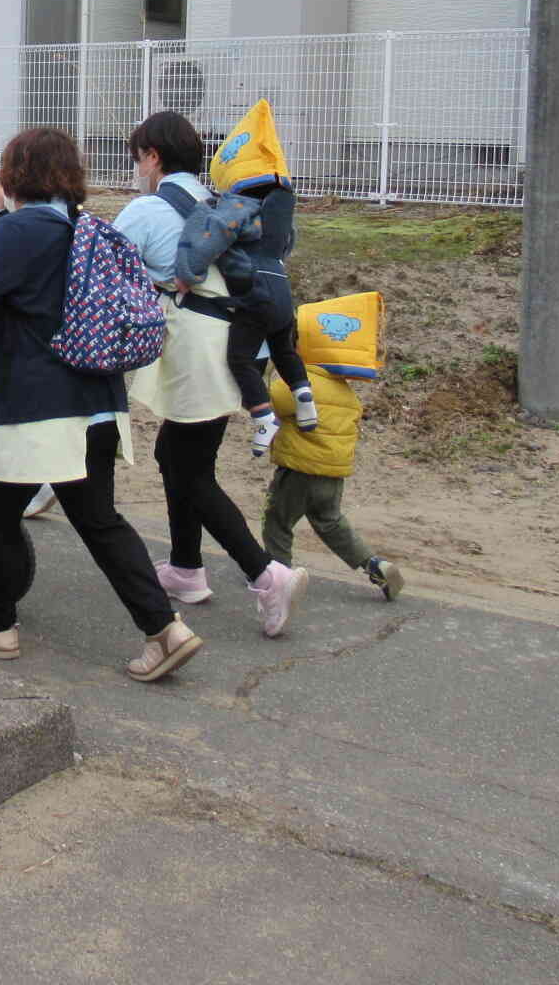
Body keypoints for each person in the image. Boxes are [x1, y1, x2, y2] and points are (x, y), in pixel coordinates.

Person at [0, 125, 204, 683]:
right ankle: (166, 629)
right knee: (100, 521)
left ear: (14, 174)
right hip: (96, 401)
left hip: (34, 411)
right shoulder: (84, 227)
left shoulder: (18, 230)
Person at [113, 112, 307, 636]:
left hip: (199, 348)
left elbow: (100, 267)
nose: (136, 169)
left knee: (190, 469)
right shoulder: (215, 203)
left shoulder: (149, 209)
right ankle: (185, 568)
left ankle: (265, 575)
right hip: (240, 345)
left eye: (137, 158)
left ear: (152, 156)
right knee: (177, 455)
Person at [209, 104, 315, 456]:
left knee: (240, 358)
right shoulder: (283, 208)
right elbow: (289, 245)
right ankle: (304, 395)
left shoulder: (238, 207)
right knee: (283, 348)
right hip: (282, 287)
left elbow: (218, 236)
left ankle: (262, 415)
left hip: (254, 291)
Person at [262, 367, 402, 601]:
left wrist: (263, 372)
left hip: (299, 470)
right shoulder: (345, 390)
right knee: (330, 522)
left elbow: (267, 401)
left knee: (277, 522)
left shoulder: (297, 380)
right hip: (332, 473)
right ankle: (375, 564)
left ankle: (278, 578)